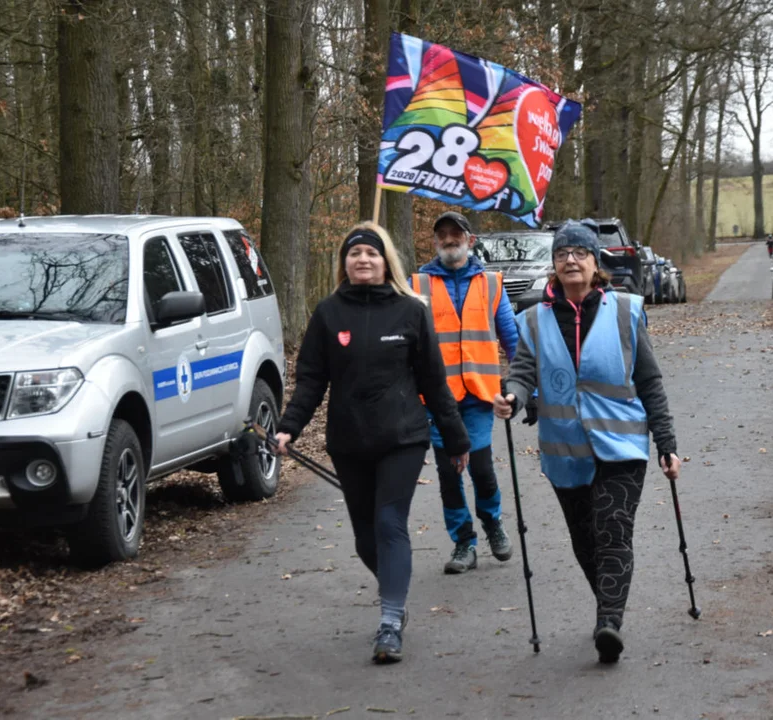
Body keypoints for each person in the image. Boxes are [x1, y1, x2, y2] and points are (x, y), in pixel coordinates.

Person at [274, 222, 471, 665]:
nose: (363, 260)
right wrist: (289, 427)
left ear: (387, 263)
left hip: (402, 437)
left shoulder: (411, 311)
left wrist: (456, 439)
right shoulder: (328, 313)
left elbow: (434, 383)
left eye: (372, 253)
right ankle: (395, 595)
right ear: (344, 263)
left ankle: (389, 621)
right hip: (348, 440)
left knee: (388, 524)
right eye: (355, 253)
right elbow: (310, 380)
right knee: (366, 539)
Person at [493, 220, 681, 665]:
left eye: (579, 253)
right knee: (584, 539)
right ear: (553, 267)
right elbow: (522, 373)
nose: (570, 260)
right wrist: (512, 398)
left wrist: (666, 442)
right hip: (565, 450)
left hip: (622, 446)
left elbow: (649, 382)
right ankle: (607, 601)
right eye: (562, 255)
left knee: (612, 529)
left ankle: (608, 621)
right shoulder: (534, 319)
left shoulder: (625, 311)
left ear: (596, 263)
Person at [409, 210, 519, 574]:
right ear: (434, 241)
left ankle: (493, 523)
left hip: (479, 394)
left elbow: (511, 338)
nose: (449, 239)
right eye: (442, 234)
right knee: (448, 473)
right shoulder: (417, 285)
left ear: (470, 240)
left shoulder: (491, 283)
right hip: (438, 400)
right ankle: (463, 543)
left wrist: (523, 387)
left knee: (482, 469)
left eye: (456, 233)